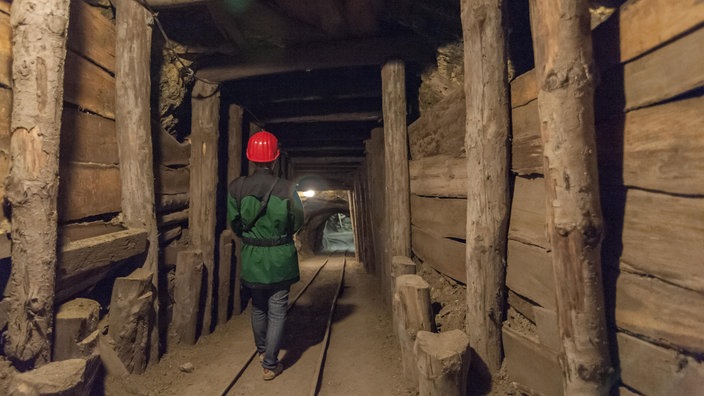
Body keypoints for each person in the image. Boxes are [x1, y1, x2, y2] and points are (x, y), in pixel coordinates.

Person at [227, 130, 304, 381]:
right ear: (275, 158)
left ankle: (262, 352)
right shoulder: (287, 188)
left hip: (252, 256)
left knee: (258, 307)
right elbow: (298, 221)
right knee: (278, 309)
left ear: (250, 158)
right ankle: (270, 363)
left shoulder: (237, 187)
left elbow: (235, 224)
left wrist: (253, 237)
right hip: (280, 257)